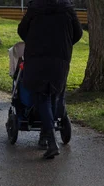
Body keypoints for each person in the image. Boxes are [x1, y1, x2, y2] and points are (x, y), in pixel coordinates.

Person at [18, 0, 82, 159]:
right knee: (54, 95)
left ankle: (51, 141)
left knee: (42, 97)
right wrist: (65, 44)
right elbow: (78, 33)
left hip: (37, 58)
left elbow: (22, 31)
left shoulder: (35, 7)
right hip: (60, 58)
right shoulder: (67, 9)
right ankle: (45, 135)